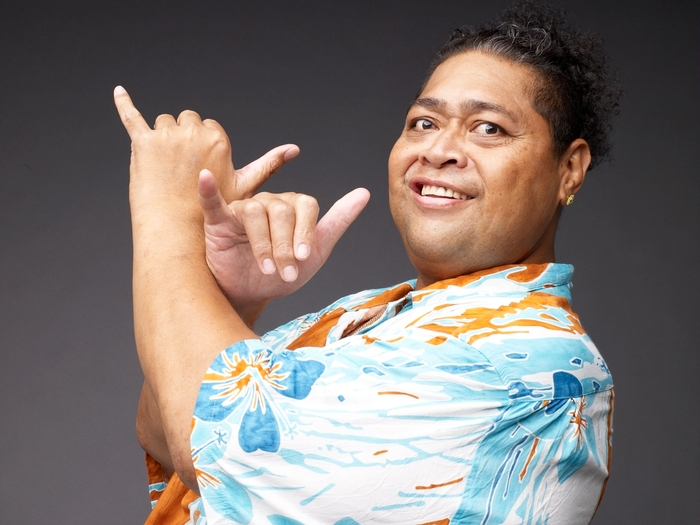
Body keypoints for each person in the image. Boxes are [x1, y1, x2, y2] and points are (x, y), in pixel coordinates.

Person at [115, 2, 621, 523]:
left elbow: (216, 443)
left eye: (488, 128)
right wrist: (233, 300)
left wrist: (167, 208)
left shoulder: (525, 360)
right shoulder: (374, 313)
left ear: (570, 168)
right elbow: (163, 428)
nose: (438, 149)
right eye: (423, 122)